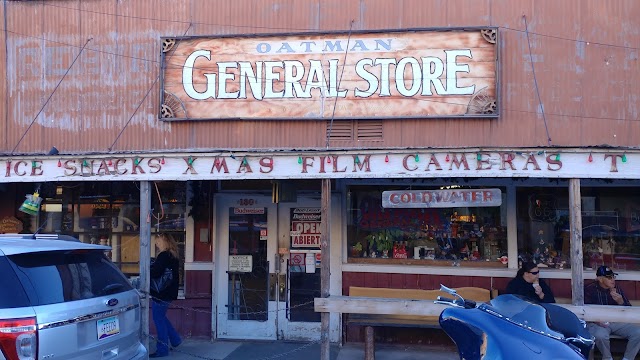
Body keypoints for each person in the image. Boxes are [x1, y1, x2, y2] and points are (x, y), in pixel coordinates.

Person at [584, 266, 640, 360]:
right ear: (600, 279)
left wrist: (621, 302)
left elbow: (629, 310)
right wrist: (596, 320)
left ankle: (627, 358)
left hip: (616, 321)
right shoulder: (589, 289)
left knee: (638, 333)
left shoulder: (617, 288)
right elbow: (584, 311)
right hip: (598, 323)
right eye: (609, 277)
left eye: (614, 277)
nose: (613, 280)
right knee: (600, 336)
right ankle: (608, 358)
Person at [149, 233, 182, 358]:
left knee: (158, 320)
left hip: (161, 293)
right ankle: (175, 339)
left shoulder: (163, 255)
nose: (156, 244)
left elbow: (156, 273)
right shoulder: (173, 255)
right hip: (169, 293)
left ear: (164, 242)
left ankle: (162, 349)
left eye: (158, 241)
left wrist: (147, 267)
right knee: (161, 317)